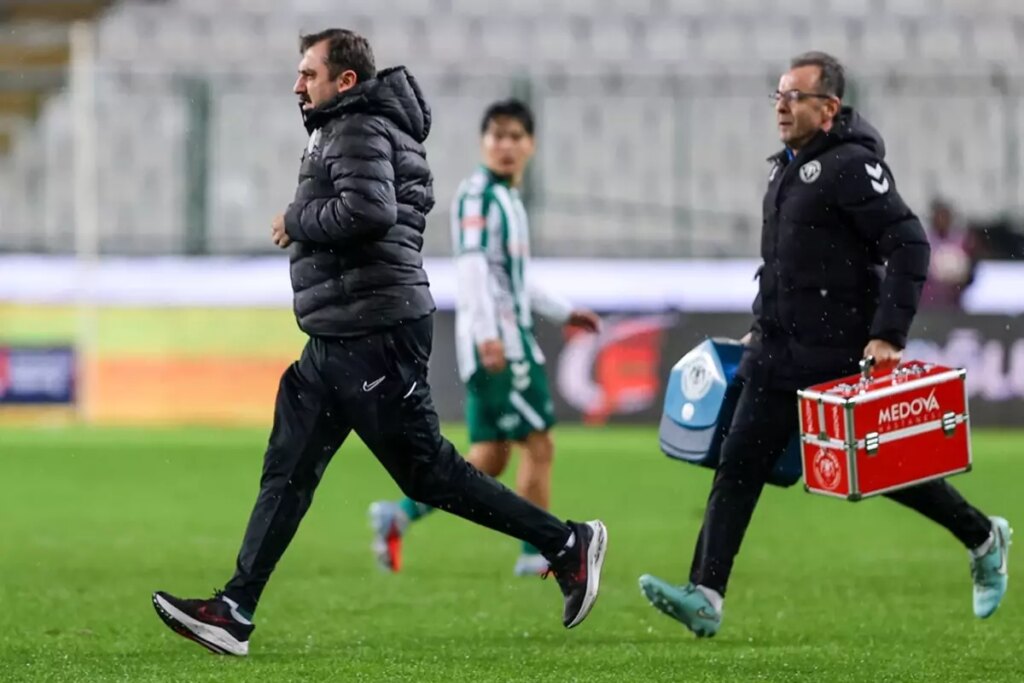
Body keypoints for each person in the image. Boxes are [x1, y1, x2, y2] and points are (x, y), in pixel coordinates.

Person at [150, 29, 607, 657]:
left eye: (309, 73)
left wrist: (296, 219)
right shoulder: (359, 127)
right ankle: (235, 609)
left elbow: (370, 211)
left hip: (373, 332)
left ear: (345, 81)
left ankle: (566, 543)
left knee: (428, 473)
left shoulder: (358, 127)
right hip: (339, 332)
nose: (297, 84)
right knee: (289, 468)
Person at [638, 52, 1011, 638]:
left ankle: (983, 536)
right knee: (738, 465)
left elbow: (910, 245)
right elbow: (780, 265)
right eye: (778, 95)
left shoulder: (852, 167)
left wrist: (887, 334)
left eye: (795, 96)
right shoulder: (783, 169)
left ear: (829, 108)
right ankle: (706, 594)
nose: (782, 107)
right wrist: (761, 323)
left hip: (835, 352)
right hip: (776, 352)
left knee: (882, 472)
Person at [368, 100, 600, 577]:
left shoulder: (508, 199)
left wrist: (564, 311)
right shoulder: (478, 197)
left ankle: (399, 515)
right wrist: (490, 337)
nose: (505, 145)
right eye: (497, 136)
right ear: (483, 142)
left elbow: (513, 278)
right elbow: (472, 270)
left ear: (530, 145)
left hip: (499, 340)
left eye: (515, 136)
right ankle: (536, 554)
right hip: (502, 346)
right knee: (539, 445)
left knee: (490, 458)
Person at [920, 198, 977, 310]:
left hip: (953, 301)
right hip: (929, 301)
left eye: (945, 217)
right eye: (939, 216)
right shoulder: (923, 240)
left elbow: (970, 272)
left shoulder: (961, 240)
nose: (942, 220)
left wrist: (959, 278)